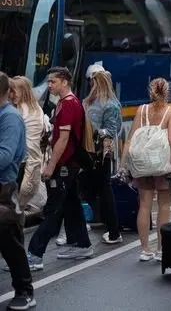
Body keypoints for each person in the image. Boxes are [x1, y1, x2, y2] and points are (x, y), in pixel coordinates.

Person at [28, 67, 93, 269]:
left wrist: (51, 165)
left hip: (64, 165)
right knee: (72, 204)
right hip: (70, 164)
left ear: (65, 82)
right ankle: (83, 245)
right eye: (48, 82)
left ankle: (35, 254)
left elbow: (63, 140)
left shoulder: (68, 105)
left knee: (52, 210)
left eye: (53, 82)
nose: (49, 85)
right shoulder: (66, 103)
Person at [121, 78, 171, 261]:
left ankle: (145, 249)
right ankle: (161, 249)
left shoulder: (142, 110)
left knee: (145, 205)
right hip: (162, 164)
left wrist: (124, 164)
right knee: (164, 206)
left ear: (150, 91)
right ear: (168, 92)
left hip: (142, 164)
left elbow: (131, 139)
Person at [0, 72, 36, 310]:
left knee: (10, 242)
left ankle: (25, 290)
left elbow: (5, 156)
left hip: (4, 188)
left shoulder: (10, 118)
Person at [84, 70, 123, 245]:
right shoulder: (109, 103)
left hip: (98, 152)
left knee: (100, 190)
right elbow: (114, 129)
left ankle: (112, 230)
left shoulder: (100, 103)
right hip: (97, 152)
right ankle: (111, 229)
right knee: (100, 190)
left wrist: (92, 133)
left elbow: (110, 131)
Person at [8, 76, 47, 213]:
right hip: (19, 164)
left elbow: (31, 147)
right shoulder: (25, 108)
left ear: (23, 91)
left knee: (15, 207)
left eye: (14, 91)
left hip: (21, 165)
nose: (11, 94)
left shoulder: (28, 112)